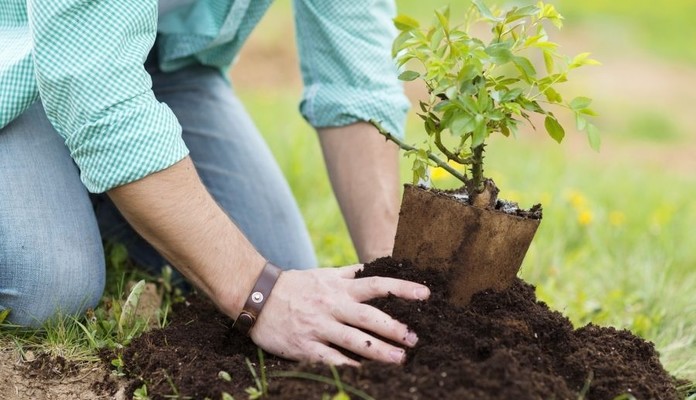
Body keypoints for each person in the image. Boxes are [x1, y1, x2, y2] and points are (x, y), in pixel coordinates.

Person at [0, 0, 431, 366]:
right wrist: (259, 295)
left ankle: (89, 176)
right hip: (20, 47)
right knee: (49, 287)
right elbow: (93, 81)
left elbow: (356, 70)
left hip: (164, 59)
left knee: (283, 265)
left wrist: (391, 281)